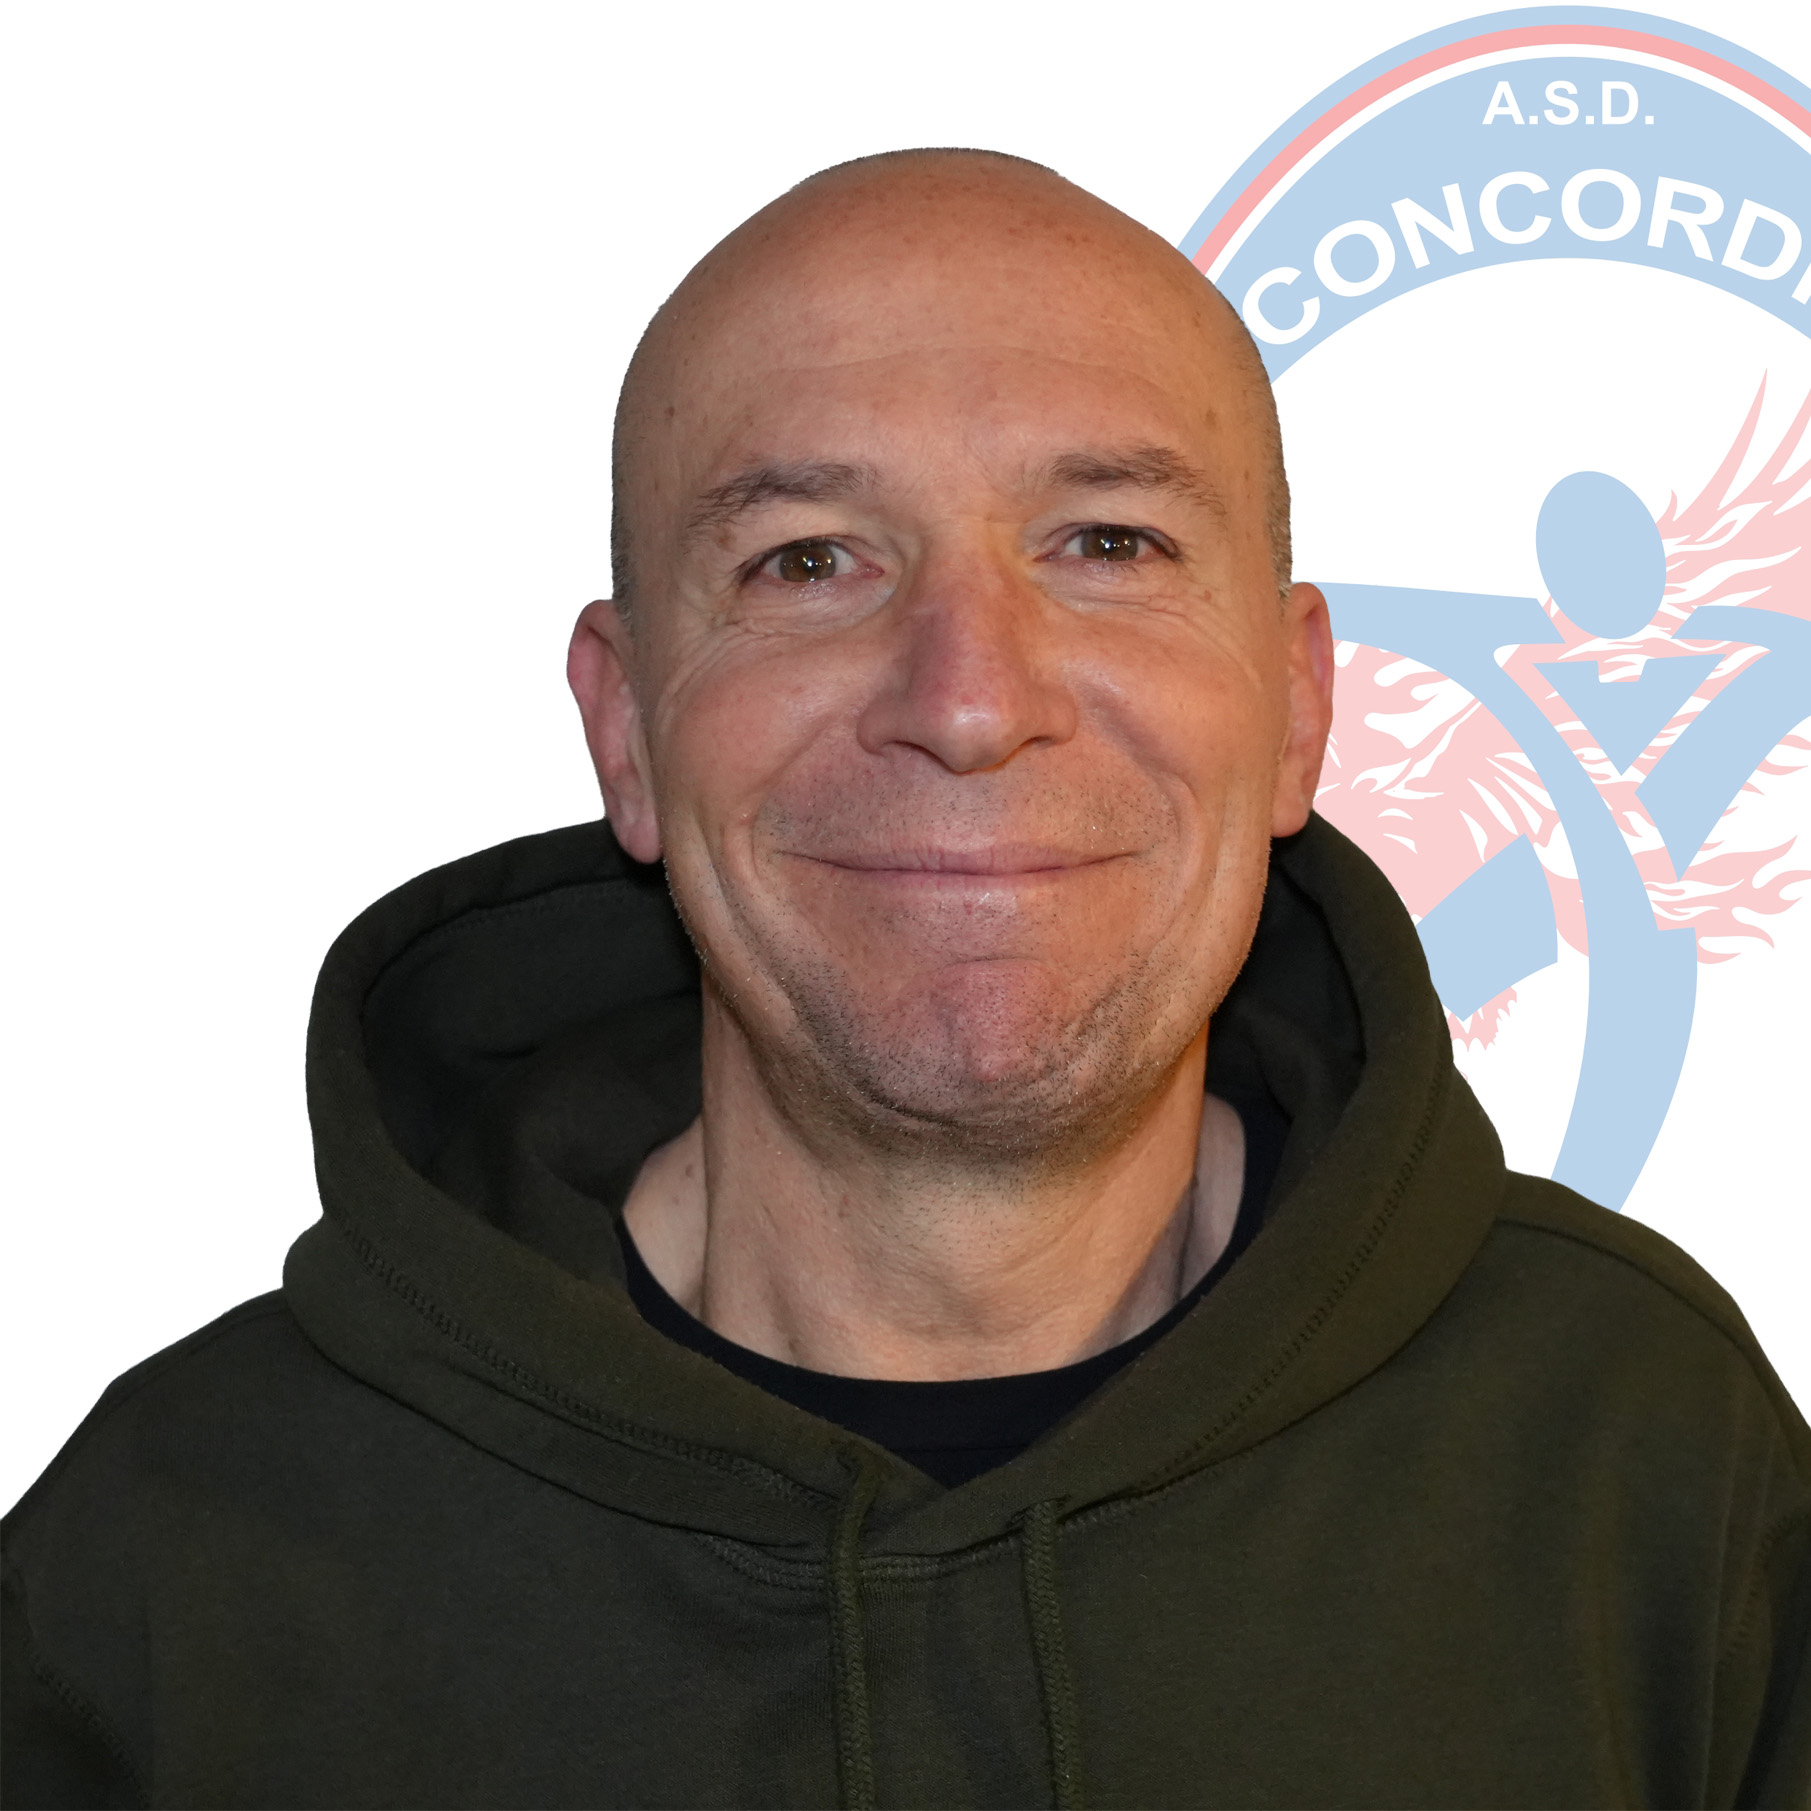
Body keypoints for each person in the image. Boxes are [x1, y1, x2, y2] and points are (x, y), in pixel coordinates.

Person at [3, 148, 1806, 1811]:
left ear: (1298, 706)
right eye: (807, 561)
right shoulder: (168, 1576)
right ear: (626, 732)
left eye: (1108, 544)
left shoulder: (1651, 1473)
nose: (968, 698)